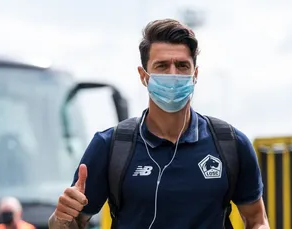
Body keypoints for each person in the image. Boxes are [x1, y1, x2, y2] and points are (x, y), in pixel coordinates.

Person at [48, 18, 270, 229]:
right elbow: (69, 225)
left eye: (182, 66)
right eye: (162, 66)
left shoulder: (230, 144)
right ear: (143, 76)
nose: (173, 75)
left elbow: (256, 220)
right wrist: (61, 217)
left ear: (195, 74)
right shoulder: (111, 146)